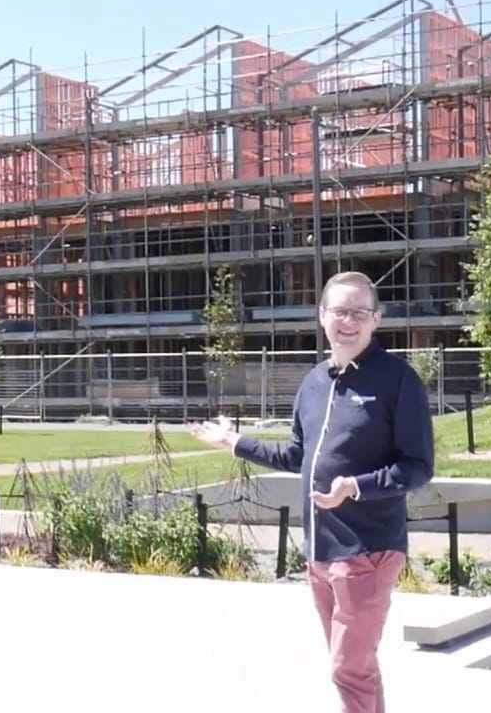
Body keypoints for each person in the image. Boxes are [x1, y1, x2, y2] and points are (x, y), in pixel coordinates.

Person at [191, 270, 434, 713]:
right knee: (355, 667)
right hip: (320, 551)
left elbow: (418, 467)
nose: (349, 320)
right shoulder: (313, 384)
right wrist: (235, 443)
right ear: (322, 316)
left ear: (376, 319)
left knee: (348, 667)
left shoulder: (399, 380)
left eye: (360, 312)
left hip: (369, 550)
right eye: (340, 310)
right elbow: (298, 456)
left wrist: (357, 487)